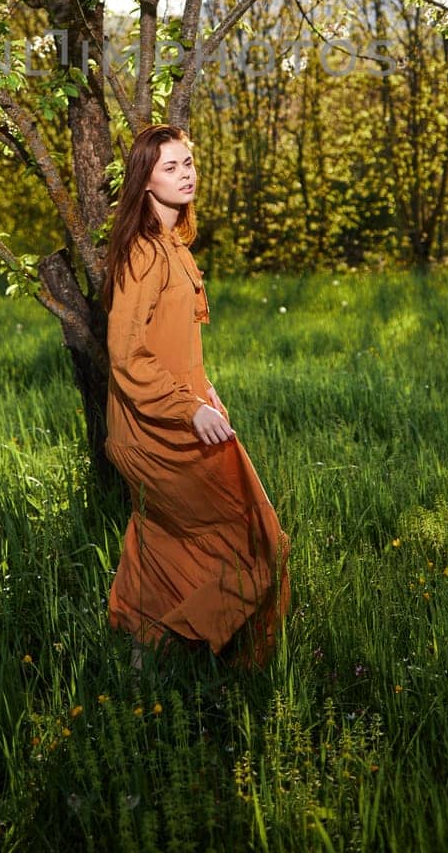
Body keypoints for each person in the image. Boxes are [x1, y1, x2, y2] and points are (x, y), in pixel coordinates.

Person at [103, 123, 289, 665]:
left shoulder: (173, 244)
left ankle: (142, 660)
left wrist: (204, 389)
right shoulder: (143, 252)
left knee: (162, 543)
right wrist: (188, 407)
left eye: (188, 163)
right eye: (170, 167)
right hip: (157, 429)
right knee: (260, 545)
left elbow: (176, 343)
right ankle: (187, 641)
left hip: (179, 416)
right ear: (144, 181)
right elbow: (127, 354)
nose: (185, 175)